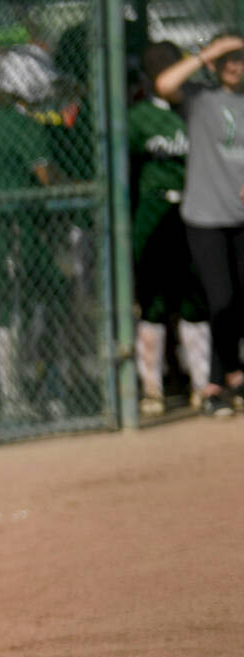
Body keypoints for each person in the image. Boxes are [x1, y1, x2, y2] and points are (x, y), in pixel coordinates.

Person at [0, 44, 70, 421]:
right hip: (18, 233)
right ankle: (28, 395)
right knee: (25, 310)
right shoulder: (23, 124)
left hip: (0, 230)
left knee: (15, 311)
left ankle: (18, 393)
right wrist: (78, 184)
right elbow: (47, 178)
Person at [155, 33, 244, 417]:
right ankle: (214, 383)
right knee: (221, 300)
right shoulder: (200, 98)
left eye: (240, 58)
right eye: (228, 59)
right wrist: (207, 53)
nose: (234, 66)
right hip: (205, 216)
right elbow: (164, 84)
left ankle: (233, 379)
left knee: (240, 300)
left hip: (240, 216)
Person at [128, 41, 211, 415]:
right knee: (154, 301)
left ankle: (202, 384)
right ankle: (152, 390)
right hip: (154, 208)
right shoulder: (138, 117)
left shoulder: (196, 109)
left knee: (196, 296)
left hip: (195, 206)